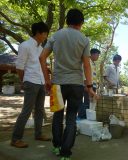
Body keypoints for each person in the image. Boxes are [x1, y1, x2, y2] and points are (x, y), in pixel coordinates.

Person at [39, 8, 97, 160]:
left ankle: (57, 147)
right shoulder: (84, 39)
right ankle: (66, 153)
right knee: (71, 117)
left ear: (67, 21)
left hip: (57, 84)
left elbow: (42, 57)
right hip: (76, 85)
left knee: (58, 116)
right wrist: (89, 87)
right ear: (81, 23)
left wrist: (46, 79)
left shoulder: (56, 36)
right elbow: (86, 65)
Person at [11, 22, 50, 148]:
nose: (46, 36)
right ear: (38, 32)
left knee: (39, 110)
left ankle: (38, 134)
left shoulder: (40, 49)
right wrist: (24, 81)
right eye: (45, 33)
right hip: (30, 81)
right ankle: (16, 139)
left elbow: (42, 66)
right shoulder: (25, 45)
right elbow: (19, 67)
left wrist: (45, 80)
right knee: (26, 111)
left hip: (40, 82)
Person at [77, 48, 101, 119]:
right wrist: (86, 85)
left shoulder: (93, 63)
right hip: (87, 85)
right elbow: (85, 73)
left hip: (92, 85)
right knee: (86, 102)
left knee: (90, 102)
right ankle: (82, 117)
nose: (98, 57)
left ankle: (87, 117)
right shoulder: (87, 61)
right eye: (97, 55)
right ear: (92, 54)